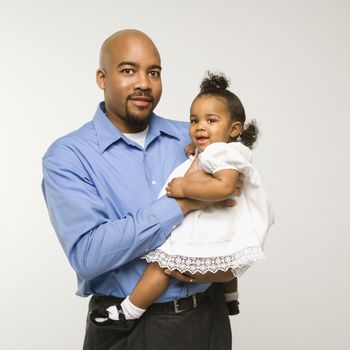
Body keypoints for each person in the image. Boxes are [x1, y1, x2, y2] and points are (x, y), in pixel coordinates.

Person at [42, 29, 243, 350]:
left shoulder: (192, 137)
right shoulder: (69, 155)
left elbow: (234, 207)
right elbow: (88, 255)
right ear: (101, 77)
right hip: (130, 329)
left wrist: (224, 273)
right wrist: (182, 203)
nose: (143, 83)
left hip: (208, 319)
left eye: (154, 72)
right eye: (127, 70)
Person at [94, 72, 274, 324]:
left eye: (211, 120)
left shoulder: (221, 154)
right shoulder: (224, 150)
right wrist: (196, 150)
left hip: (213, 214)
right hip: (225, 220)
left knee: (161, 263)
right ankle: (231, 298)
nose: (200, 126)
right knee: (225, 250)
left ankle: (130, 310)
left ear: (234, 129)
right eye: (194, 120)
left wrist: (184, 188)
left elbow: (225, 187)